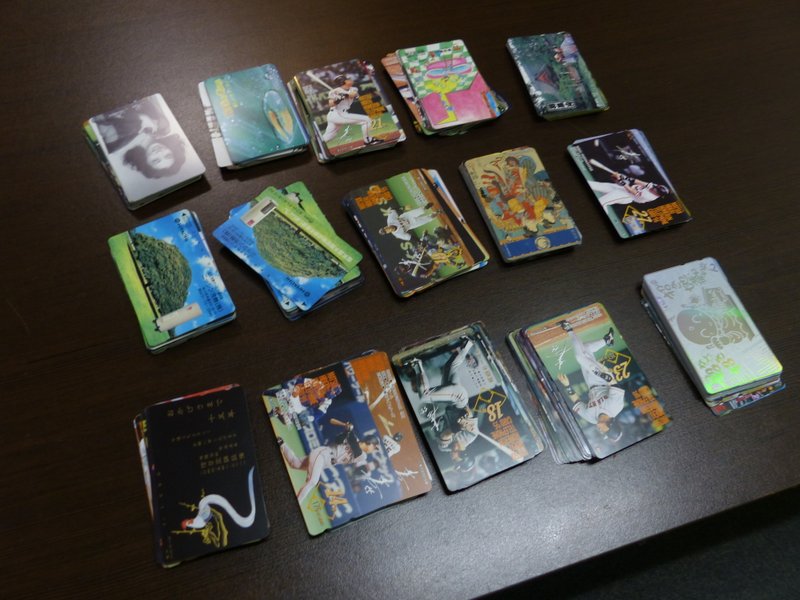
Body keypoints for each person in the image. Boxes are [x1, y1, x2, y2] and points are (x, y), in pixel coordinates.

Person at [277, 419, 380, 503]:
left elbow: (356, 448)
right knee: (312, 481)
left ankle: (281, 444)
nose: (374, 450)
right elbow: (338, 440)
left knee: (295, 464)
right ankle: (297, 502)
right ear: (370, 442)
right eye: (374, 447)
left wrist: (350, 432)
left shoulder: (363, 456)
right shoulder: (351, 437)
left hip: (326, 462)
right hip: (323, 454)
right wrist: (346, 432)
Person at [557, 320, 624, 441]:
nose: (601, 431)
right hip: (603, 379)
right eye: (604, 431)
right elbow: (615, 385)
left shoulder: (591, 419)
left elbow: (577, 402)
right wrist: (602, 374)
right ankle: (568, 328)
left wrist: (567, 386)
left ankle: (607, 340)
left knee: (586, 348)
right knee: (580, 356)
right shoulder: (616, 407)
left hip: (590, 383)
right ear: (610, 425)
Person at [321, 75, 380, 147]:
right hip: (337, 114)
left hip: (341, 114)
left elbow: (353, 95)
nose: (349, 80)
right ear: (343, 82)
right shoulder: (334, 92)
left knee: (329, 136)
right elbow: (331, 104)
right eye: (347, 79)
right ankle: (368, 141)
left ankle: (319, 146)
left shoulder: (353, 89)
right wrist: (339, 99)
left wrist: (344, 94)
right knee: (367, 120)